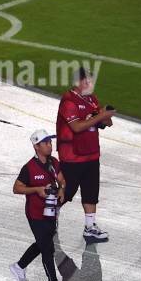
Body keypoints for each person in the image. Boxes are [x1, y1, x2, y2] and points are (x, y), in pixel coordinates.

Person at [57, 68, 115, 242]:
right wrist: (99, 116)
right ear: (78, 82)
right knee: (68, 191)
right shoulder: (68, 101)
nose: (91, 84)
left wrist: (105, 115)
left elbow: (107, 123)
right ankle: (51, 213)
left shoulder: (91, 99)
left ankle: (90, 227)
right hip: (72, 155)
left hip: (91, 154)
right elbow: (76, 127)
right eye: (88, 81)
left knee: (91, 192)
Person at [12, 129, 68, 281]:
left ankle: (19, 267)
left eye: (50, 142)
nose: (50, 145)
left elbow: (62, 180)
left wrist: (62, 189)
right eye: (46, 143)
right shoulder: (29, 168)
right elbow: (16, 188)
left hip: (50, 212)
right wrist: (36, 189)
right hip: (35, 213)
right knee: (47, 248)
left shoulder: (54, 162)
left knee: (43, 243)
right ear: (36, 146)